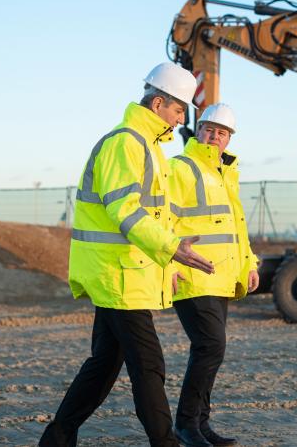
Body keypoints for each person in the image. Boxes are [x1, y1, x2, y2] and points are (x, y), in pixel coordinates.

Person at [39, 62, 215, 447]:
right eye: (179, 109)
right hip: (117, 275)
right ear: (157, 105)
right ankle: (164, 442)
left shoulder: (148, 147)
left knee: (104, 364)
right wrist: (172, 249)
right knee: (148, 365)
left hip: (128, 273)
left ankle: (58, 436)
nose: (181, 118)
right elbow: (125, 211)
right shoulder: (125, 143)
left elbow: (155, 216)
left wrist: (167, 262)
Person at [168, 103, 260, 447]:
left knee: (211, 349)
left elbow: (237, 228)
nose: (215, 136)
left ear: (229, 139)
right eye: (209, 129)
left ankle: (201, 425)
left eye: (222, 133)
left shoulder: (225, 173)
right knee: (210, 346)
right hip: (193, 274)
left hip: (221, 277)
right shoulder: (180, 167)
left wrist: (249, 263)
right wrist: (171, 263)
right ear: (198, 129)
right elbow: (165, 220)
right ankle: (185, 425)